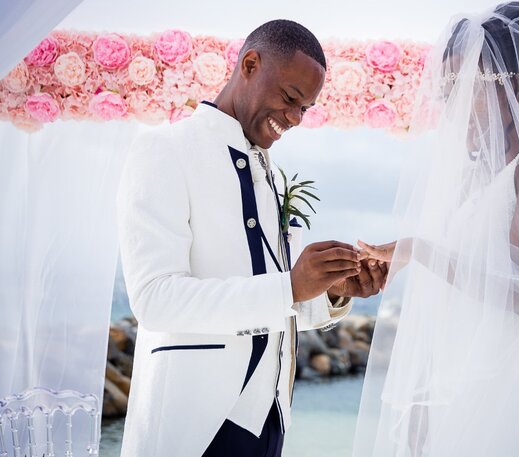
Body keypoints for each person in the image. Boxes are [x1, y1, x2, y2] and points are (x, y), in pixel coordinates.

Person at [117, 20, 387, 457]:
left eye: (307, 108)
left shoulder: (274, 174)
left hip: (270, 420)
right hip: (194, 425)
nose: (296, 119)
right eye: (290, 98)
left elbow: (280, 300)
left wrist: (332, 292)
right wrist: (291, 285)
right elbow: (155, 299)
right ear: (249, 64)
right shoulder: (164, 150)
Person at [353, 2, 519, 456]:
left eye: (468, 88)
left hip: (506, 395)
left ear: (515, 86)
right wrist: (424, 398)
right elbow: (455, 297)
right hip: (453, 387)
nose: (453, 105)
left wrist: (419, 250)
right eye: (448, 89)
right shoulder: (475, 177)